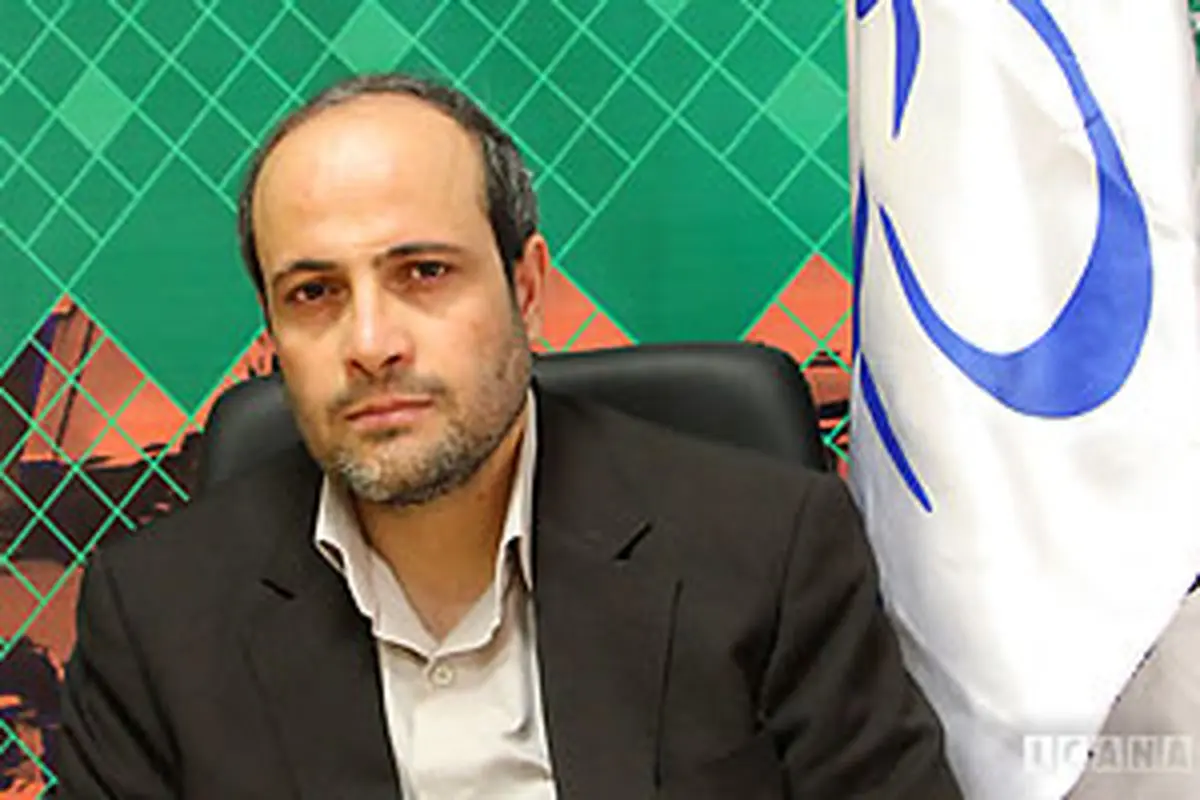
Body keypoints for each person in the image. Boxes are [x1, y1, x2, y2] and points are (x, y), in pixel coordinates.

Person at [57, 73, 960, 799]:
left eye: (423, 272)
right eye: (314, 294)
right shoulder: (157, 616)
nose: (370, 342)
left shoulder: (768, 548)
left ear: (525, 289)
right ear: (272, 336)